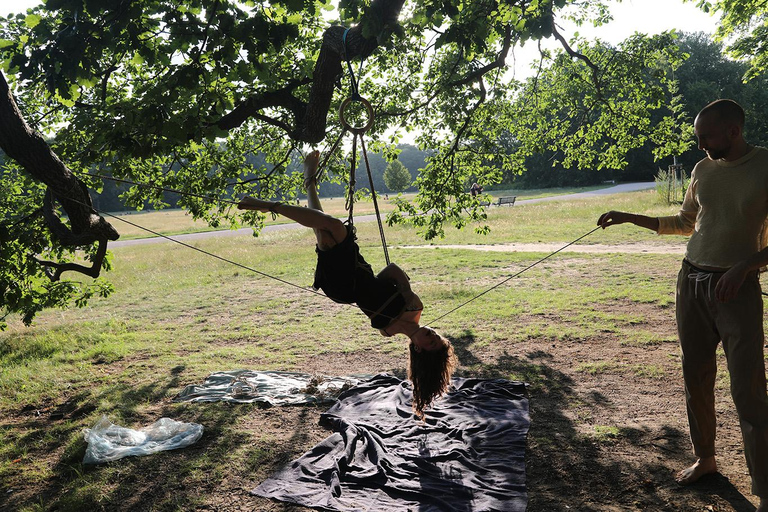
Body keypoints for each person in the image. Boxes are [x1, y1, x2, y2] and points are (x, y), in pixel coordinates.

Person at [597, 99, 768, 511]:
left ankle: (764, 487)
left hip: (736, 289)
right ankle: (705, 459)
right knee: (696, 375)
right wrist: (627, 216)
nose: (700, 144)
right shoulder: (702, 169)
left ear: (733, 130)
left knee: (748, 389)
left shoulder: (765, 166)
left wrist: (744, 267)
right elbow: (685, 223)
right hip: (691, 281)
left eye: (706, 136)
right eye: (698, 137)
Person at [238, 150, 456, 419]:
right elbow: (391, 270)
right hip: (357, 269)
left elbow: (371, 294)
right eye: (437, 336)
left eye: (431, 342)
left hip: (342, 287)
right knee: (325, 227)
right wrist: (407, 289)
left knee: (329, 226)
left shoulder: (388, 333)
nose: (433, 336)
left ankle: (274, 202)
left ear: (419, 350)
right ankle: (305, 182)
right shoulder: (413, 305)